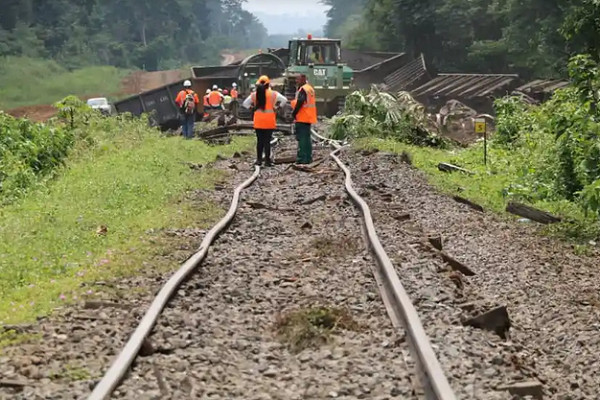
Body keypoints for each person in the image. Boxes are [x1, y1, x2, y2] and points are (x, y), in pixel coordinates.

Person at [242, 75, 287, 167]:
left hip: (258, 121)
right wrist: (277, 108)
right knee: (267, 141)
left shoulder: (255, 94)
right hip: (269, 121)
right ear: (268, 84)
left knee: (260, 141)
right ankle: (267, 161)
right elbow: (284, 100)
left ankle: (259, 160)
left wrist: (252, 108)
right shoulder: (274, 94)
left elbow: (245, 103)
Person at [291, 74, 317, 164]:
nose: (296, 81)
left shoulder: (303, 89)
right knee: (306, 138)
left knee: (302, 138)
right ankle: (308, 158)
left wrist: (294, 113)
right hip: (308, 117)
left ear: (303, 79)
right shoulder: (309, 88)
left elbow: (300, 101)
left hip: (302, 117)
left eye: (298, 79)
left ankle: (302, 158)